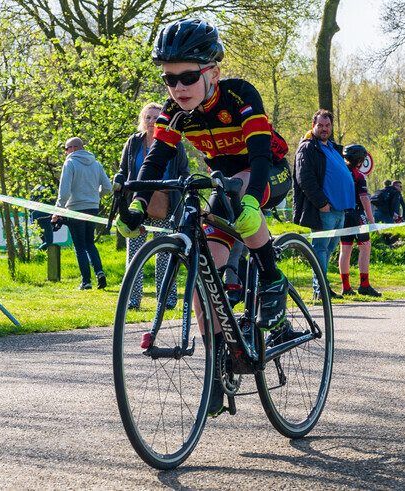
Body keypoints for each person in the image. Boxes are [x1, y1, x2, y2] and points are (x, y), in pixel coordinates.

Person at [115, 19, 295, 416]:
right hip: (224, 179)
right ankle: (217, 371)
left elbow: (261, 155)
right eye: (169, 78)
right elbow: (155, 161)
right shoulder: (174, 112)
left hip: (269, 170)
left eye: (188, 76)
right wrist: (138, 204)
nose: (178, 87)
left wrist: (251, 198)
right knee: (204, 277)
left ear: (212, 72)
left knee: (238, 204)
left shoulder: (240, 95)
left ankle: (272, 278)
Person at [118, 102, 190, 309]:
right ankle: (132, 301)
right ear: (142, 120)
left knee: (165, 255)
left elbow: (184, 171)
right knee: (134, 255)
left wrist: (180, 186)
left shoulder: (175, 143)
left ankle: (166, 300)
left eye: (156, 118)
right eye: (147, 117)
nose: (151, 122)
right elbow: (123, 170)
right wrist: (121, 187)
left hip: (166, 203)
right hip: (138, 204)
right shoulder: (133, 142)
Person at [294, 109, 355, 300]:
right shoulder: (308, 148)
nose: (324, 129)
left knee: (329, 249)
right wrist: (321, 203)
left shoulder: (332, 147)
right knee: (320, 248)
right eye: (320, 125)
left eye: (327, 125)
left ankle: (322, 287)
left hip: (339, 209)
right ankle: (320, 289)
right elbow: (305, 178)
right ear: (313, 125)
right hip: (324, 209)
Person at [52, 137, 112, 290]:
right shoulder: (96, 164)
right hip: (92, 208)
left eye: (66, 149)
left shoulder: (70, 163)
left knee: (79, 246)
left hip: (75, 208)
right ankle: (99, 272)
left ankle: (86, 281)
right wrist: (95, 196)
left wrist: (57, 210)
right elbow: (107, 187)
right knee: (90, 243)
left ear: (73, 148)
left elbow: (64, 192)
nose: (65, 152)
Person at [338, 144, 380, 297]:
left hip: (343, 214)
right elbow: (364, 198)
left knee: (345, 249)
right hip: (357, 214)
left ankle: (346, 287)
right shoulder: (358, 175)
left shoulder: (340, 172)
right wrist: (371, 220)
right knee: (365, 247)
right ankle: (364, 284)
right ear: (361, 160)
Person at [30, 184, 55, 250]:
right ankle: (38, 253)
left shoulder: (36, 187)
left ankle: (43, 256)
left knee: (44, 241)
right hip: (44, 216)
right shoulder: (49, 188)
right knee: (49, 242)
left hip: (35, 217)